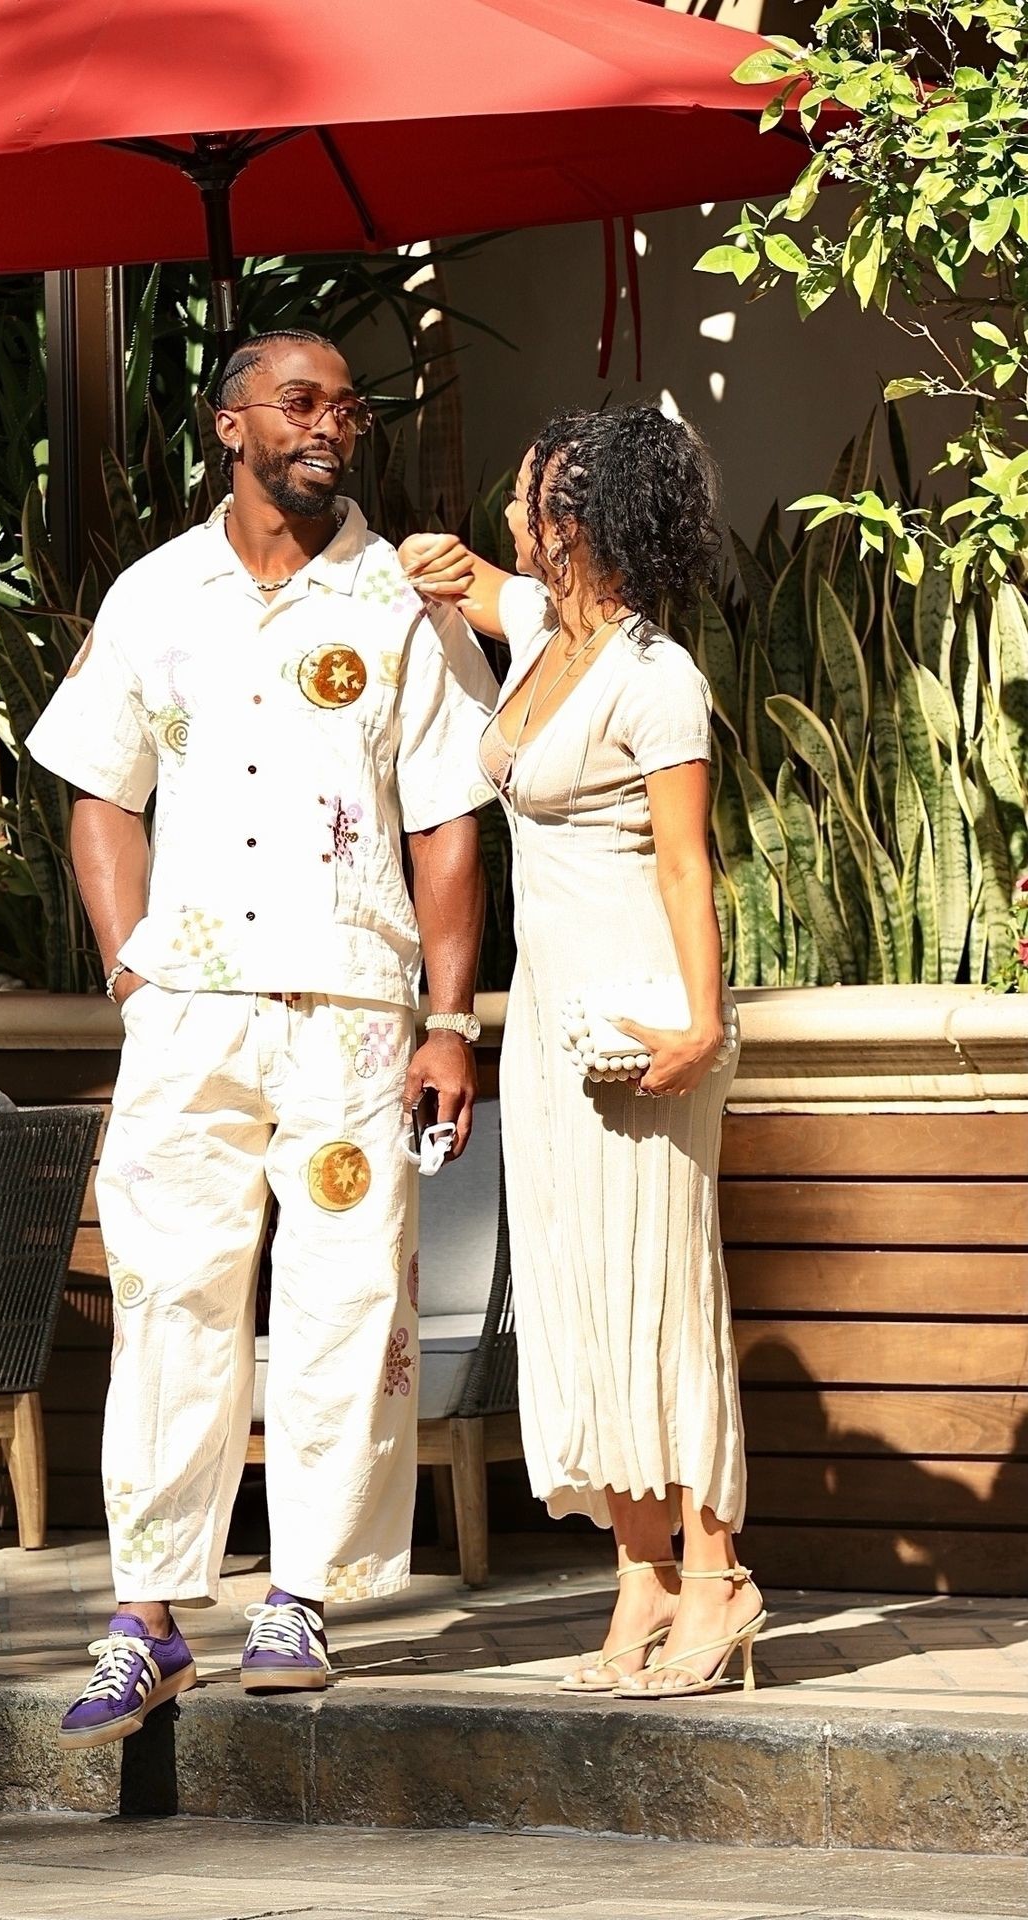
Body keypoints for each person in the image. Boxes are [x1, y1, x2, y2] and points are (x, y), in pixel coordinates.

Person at [28, 330, 497, 1747]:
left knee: (346, 1301)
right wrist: (132, 971)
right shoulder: (155, 593)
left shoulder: (403, 596)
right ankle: (148, 1619)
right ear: (230, 425)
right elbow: (99, 789)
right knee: (171, 1297)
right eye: (300, 402)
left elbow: (448, 821)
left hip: (354, 1013)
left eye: (346, 407)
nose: (330, 426)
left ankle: (298, 1596)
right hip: (189, 1014)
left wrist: (450, 1019)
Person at [400, 404, 764, 1698]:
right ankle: (641, 1573)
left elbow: (685, 863)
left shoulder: (657, 677)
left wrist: (702, 1025)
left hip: (643, 1020)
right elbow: (469, 579)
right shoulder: (549, 629)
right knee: (575, 1292)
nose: (510, 515)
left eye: (529, 497)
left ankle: (718, 1575)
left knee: (657, 1292)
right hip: (550, 1018)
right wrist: (430, 561)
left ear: (581, 521)